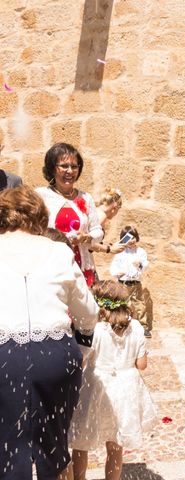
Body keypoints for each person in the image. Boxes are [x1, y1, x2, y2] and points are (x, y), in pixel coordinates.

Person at [0, 185, 99, 480]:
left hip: (4, 353)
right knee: (52, 443)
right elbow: (89, 314)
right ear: (39, 216)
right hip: (55, 355)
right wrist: (80, 351)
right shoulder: (58, 251)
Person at [70, 280, 156, 480]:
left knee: (81, 442)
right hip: (126, 389)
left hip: (96, 386)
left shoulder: (94, 329)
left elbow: (82, 361)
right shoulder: (135, 327)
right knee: (116, 444)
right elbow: (141, 365)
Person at [36, 143, 103, 286]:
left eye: (74, 166)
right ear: (53, 169)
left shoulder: (86, 198)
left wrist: (87, 237)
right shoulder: (41, 196)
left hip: (81, 266)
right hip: (53, 266)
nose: (70, 171)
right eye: (64, 166)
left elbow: (98, 231)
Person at [109, 226, 152, 337]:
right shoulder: (120, 252)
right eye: (128, 238)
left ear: (137, 238)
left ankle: (143, 326)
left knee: (139, 304)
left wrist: (140, 265)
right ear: (123, 239)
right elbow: (114, 266)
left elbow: (145, 265)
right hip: (122, 283)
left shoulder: (140, 252)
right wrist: (117, 273)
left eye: (133, 237)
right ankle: (121, 323)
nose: (131, 240)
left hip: (135, 283)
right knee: (121, 303)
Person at [90, 187, 126, 255]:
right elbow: (86, 242)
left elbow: (93, 240)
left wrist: (112, 246)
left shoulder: (96, 211)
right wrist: (110, 249)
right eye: (118, 209)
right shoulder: (101, 216)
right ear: (115, 207)